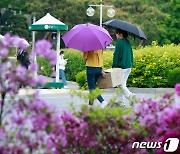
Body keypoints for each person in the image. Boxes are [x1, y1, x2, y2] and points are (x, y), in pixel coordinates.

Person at [112, 29, 135, 104]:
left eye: (117, 33)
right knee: (122, 84)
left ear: (120, 34)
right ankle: (121, 101)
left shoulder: (119, 43)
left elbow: (116, 56)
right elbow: (131, 54)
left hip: (122, 67)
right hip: (128, 66)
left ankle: (130, 96)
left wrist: (114, 66)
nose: (116, 35)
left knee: (120, 84)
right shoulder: (128, 42)